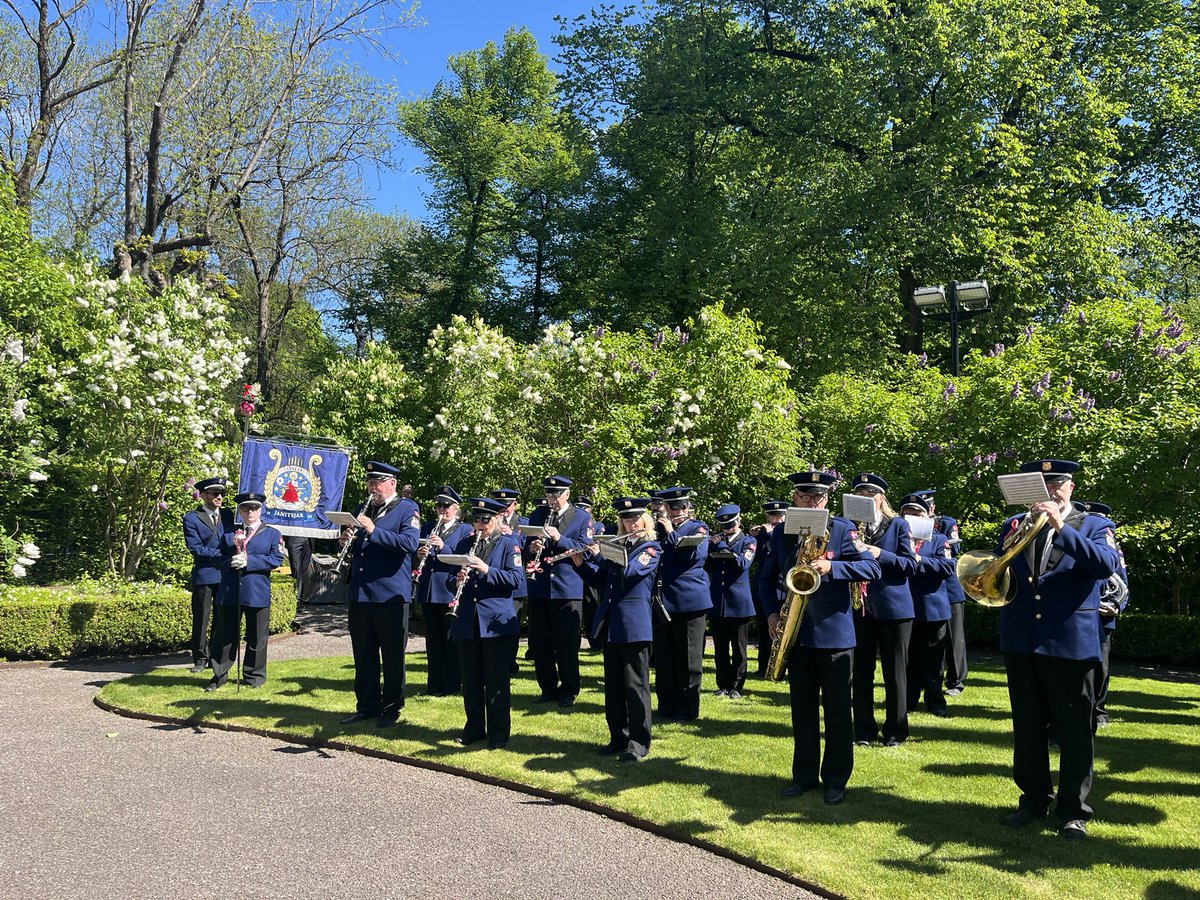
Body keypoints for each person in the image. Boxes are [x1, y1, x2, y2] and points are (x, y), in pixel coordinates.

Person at [996, 459, 1120, 840]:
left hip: (1069, 642)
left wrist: (1058, 527)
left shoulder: (1095, 525)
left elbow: (1104, 564)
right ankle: (1033, 799)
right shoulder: (1015, 526)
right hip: (1023, 641)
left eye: (1057, 483)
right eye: (1042, 484)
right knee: (1028, 726)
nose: (1050, 490)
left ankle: (1072, 810)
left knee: (1074, 731)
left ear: (1071, 487)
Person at [761, 470, 880, 805]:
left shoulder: (843, 529)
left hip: (835, 635)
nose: (812, 502)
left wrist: (833, 569)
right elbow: (766, 578)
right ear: (795, 498)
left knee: (839, 713)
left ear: (826, 500)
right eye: (805, 497)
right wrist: (771, 612)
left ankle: (836, 780)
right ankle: (803, 776)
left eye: (818, 497)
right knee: (802, 710)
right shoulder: (782, 533)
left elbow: (872, 569)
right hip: (797, 634)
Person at [339, 461, 421, 728]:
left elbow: (408, 544)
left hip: (389, 595)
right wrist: (346, 542)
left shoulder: (408, 509)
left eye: (377, 482)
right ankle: (366, 705)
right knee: (363, 654)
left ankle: (391, 708)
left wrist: (373, 530)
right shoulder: (363, 510)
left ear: (392, 483)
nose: (372, 488)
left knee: (392, 655)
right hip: (361, 593)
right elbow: (362, 550)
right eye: (369, 482)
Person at [848, 473, 918, 748]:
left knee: (895, 672)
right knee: (861, 671)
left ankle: (896, 731)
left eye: (870, 494)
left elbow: (911, 564)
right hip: (861, 608)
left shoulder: (898, 525)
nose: (865, 499)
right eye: (860, 495)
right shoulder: (849, 526)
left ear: (881, 498)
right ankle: (863, 729)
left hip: (895, 609)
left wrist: (880, 554)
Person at [449, 496, 523, 749]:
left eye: (485, 520)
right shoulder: (465, 542)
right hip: (468, 621)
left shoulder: (509, 544)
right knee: (470, 681)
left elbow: (516, 580)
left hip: (495, 622)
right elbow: (449, 579)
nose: (480, 525)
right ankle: (473, 729)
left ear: (497, 518)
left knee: (496, 681)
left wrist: (486, 570)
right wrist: (457, 579)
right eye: (477, 520)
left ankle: (499, 734)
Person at [591, 497, 661, 762]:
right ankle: (618, 737)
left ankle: (639, 742)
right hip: (611, 624)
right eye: (625, 519)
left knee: (635, 686)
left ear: (645, 520)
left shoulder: (651, 548)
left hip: (634, 625)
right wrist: (580, 559)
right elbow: (598, 580)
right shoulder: (618, 546)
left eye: (635, 519)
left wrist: (607, 553)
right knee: (614, 687)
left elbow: (631, 571)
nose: (630, 523)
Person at [523, 475, 594, 707]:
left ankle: (569, 690)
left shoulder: (581, 517)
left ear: (567, 494)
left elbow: (586, 549)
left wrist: (559, 538)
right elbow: (525, 546)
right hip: (540, 587)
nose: (552, 498)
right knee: (541, 642)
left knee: (567, 644)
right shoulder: (538, 514)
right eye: (549, 494)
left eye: (556, 494)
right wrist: (531, 547)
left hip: (567, 588)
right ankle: (547, 688)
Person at [205, 492, 284, 690]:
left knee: (257, 637)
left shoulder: (272, 534)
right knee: (225, 637)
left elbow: (276, 559)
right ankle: (219, 674)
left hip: (256, 591)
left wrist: (250, 561)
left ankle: (254, 676)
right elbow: (215, 556)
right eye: (246, 508)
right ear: (240, 510)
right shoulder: (229, 533)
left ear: (261, 510)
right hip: (230, 591)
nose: (250, 512)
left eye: (254, 508)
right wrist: (229, 561)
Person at [653, 486, 712, 721]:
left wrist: (669, 532)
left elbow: (693, 557)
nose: (679, 510)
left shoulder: (698, 528)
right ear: (665, 508)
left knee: (689, 659)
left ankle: (687, 710)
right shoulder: (656, 529)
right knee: (664, 658)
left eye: (683, 506)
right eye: (673, 506)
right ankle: (666, 707)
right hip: (663, 600)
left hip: (690, 601)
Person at [898, 494, 955, 718]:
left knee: (933, 660)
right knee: (909, 658)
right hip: (905, 606)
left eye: (917, 513)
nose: (911, 517)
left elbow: (947, 567)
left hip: (932, 607)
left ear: (927, 515)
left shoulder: (939, 540)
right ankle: (909, 699)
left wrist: (919, 560)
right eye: (907, 513)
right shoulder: (896, 537)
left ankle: (935, 700)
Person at [1073, 501, 1129, 730]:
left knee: (1101, 668)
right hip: (1079, 613)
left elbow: (1121, 582)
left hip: (1103, 615)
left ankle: (1098, 710)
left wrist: (1116, 606)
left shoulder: (1109, 545)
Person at [416, 485, 473, 696]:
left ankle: (451, 684)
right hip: (429, 589)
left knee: (450, 641)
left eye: (446, 506)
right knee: (433, 641)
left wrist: (443, 547)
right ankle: (434, 684)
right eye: (439, 506)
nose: (442, 510)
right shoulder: (429, 526)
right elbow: (418, 552)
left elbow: (463, 556)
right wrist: (421, 552)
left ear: (456, 508)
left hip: (449, 589)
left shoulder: (465, 530)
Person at [916, 489, 969, 696]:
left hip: (950, 590)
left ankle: (956, 681)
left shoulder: (945, 523)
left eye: (929, 505)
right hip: (928, 590)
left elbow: (952, 551)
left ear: (933, 507)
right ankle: (923, 679)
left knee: (954, 637)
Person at [705, 504, 757, 699]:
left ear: (738, 521)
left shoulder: (748, 541)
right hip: (719, 600)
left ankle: (736, 685)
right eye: (724, 526)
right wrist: (710, 547)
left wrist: (721, 546)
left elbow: (743, 563)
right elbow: (708, 566)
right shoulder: (718, 541)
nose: (727, 529)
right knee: (720, 647)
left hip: (739, 602)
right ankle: (722, 684)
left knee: (739, 647)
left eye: (730, 525)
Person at [182, 476, 233, 673]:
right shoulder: (192, 518)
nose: (219, 497)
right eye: (214, 493)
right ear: (203, 495)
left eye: (221, 494)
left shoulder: (229, 515)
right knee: (201, 618)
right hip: (205, 574)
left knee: (221, 619)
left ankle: (216, 656)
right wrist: (221, 556)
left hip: (225, 574)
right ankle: (200, 659)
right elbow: (195, 548)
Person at [490, 487, 528, 674]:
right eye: (500, 506)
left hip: (515, 583)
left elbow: (529, 549)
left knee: (511, 626)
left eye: (508, 505)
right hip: (494, 579)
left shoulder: (524, 523)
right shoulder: (490, 520)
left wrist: (512, 535)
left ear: (515, 504)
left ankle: (510, 664)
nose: (504, 509)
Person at [751, 500, 789, 676]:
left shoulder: (786, 532)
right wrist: (761, 536)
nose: (777, 518)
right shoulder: (761, 536)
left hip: (785, 588)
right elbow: (756, 557)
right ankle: (763, 666)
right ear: (767, 517)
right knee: (765, 629)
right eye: (773, 515)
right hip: (766, 590)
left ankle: (784, 666)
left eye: (780, 515)